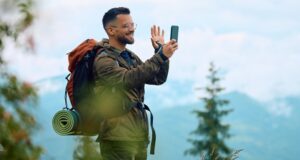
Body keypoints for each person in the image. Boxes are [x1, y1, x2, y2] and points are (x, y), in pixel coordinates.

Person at [93, 7, 178, 160]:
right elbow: (128, 79)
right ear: (111, 30)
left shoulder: (130, 57)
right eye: (126, 26)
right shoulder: (103, 60)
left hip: (138, 136)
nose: (131, 29)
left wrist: (160, 52)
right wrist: (160, 56)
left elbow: (158, 78)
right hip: (116, 139)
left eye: (133, 25)